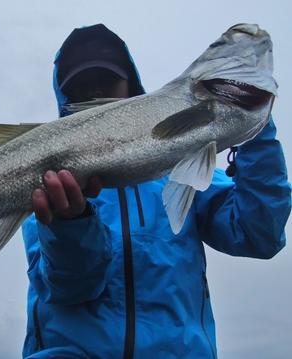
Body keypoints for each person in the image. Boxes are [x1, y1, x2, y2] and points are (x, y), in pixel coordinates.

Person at [21, 24, 291, 359]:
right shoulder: (46, 192)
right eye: (80, 87)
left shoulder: (187, 169)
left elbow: (258, 234)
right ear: (65, 101)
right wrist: (70, 225)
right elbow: (72, 288)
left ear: (131, 87)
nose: (94, 93)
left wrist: (254, 127)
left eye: (106, 81)